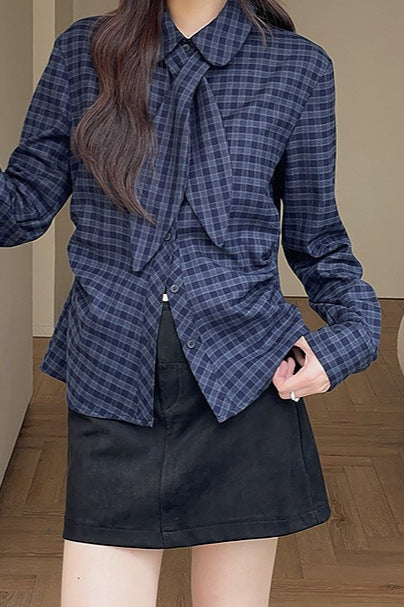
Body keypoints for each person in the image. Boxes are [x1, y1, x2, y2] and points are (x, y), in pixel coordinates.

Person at [0, 0, 381, 605]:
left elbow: (317, 240)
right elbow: (20, 205)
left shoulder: (298, 67)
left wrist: (350, 338)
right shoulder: (84, 51)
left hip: (246, 383)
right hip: (113, 378)